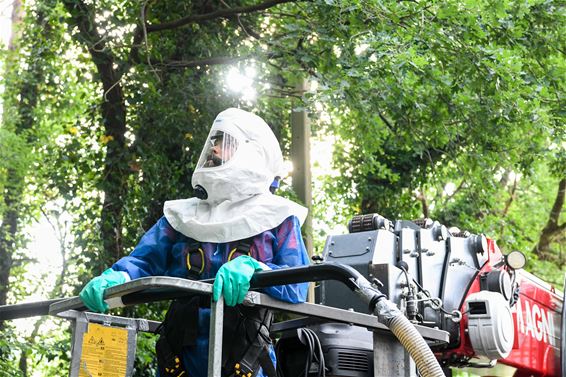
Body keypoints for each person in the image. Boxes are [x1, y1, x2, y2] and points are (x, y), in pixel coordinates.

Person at [79, 108, 309, 377]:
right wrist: (116, 277)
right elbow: (143, 261)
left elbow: (297, 285)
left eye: (225, 142)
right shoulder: (182, 216)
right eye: (213, 142)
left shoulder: (278, 217)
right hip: (179, 359)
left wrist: (256, 270)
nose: (213, 149)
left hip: (244, 360)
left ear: (253, 154)